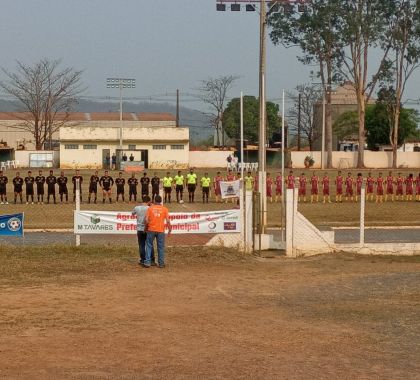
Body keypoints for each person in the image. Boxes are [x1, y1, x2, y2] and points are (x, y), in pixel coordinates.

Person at [144, 195, 172, 268]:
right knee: (161, 247)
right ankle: (161, 263)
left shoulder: (150, 208)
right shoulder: (164, 209)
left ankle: (147, 262)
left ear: (154, 200)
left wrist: (145, 228)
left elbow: (146, 220)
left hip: (151, 229)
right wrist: (169, 230)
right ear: (161, 201)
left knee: (149, 245)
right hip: (160, 230)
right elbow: (168, 221)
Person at [132, 195, 155, 265]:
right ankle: (151, 260)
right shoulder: (150, 208)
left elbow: (133, 213)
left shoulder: (137, 208)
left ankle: (142, 260)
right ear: (149, 201)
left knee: (141, 245)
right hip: (148, 228)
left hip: (139, 229)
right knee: (150, 244)